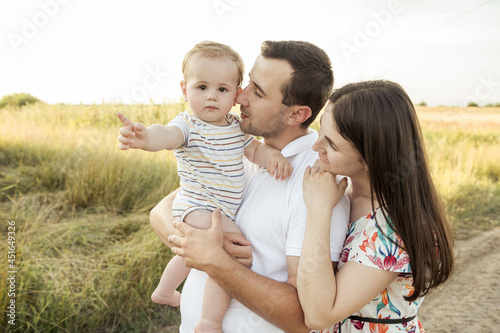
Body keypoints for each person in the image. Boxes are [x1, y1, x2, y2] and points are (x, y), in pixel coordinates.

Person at [151, 40, 350, 332]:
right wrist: (198, 245)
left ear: (297, 114)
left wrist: (217, 261)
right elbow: (161, 211)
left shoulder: (315, 183)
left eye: (257, 91)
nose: (239, 96)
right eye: (246, 84)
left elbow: (303, 318)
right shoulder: (237, 146)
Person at [118, 41, 293, 333]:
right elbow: (167, 135)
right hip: (197, 208)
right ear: (184, 89)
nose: (211, 96)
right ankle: (209, 322)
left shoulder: (236, 127)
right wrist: (145, 137)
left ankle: (164, 290)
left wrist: (272, 156)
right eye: (202, 88)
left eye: (222, 90)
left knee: (192, 254)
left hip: (216, 209)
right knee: (230, 253)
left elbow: (254, 151)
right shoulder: (188, 125)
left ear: (236, 94)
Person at [298, 80, 455, 332]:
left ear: (372, 158)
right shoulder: (342, 189)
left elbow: (318, 315)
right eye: (320, 132)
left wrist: (318, 211)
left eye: (332, 144)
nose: (316, 146)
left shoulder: (392, 230)